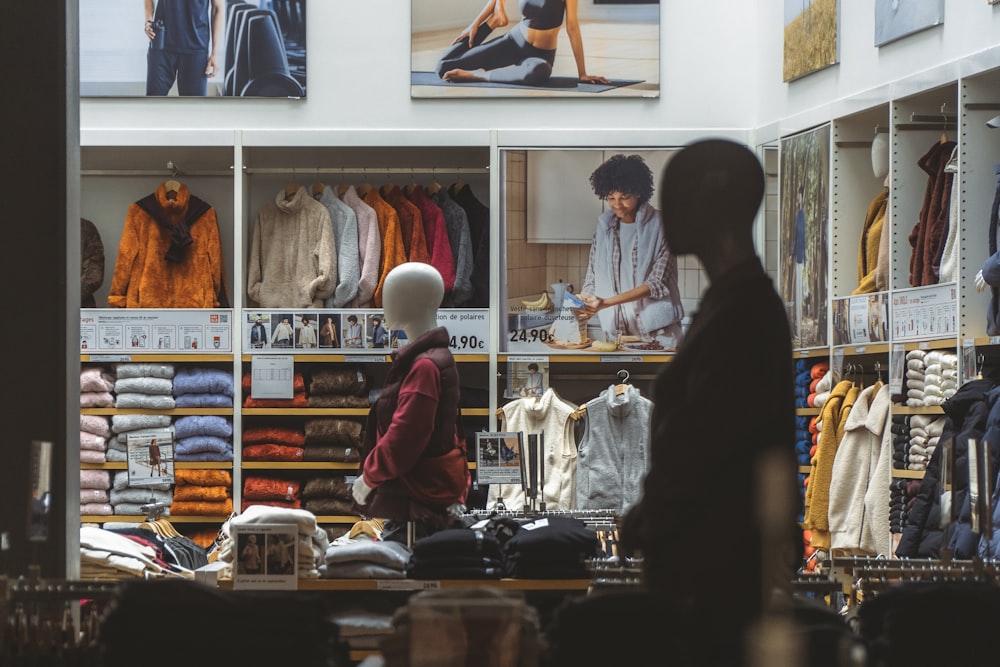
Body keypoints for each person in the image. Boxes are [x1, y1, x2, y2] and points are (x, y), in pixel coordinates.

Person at [618, 139, 802, 665]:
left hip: (717, 577)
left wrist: (649, 518)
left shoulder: (743, 313)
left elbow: (705, 443)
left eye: (674, 196)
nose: (664, 212)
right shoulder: (736, 304)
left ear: (710, 202)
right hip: (712, 567)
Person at [351, 263, 470, 543]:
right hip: (422, 498)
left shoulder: (425, 365)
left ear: (422, 302)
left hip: (417, 503)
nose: (385, 302)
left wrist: (369, 477)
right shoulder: (431, 359)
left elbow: (405, 436)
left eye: (395, 294)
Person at [577, 154, 684, 345]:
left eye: (624, 197)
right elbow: (591, 279)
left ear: (639, 193)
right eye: (611, 198)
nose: (617, 204)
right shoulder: (603, 229)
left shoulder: (663, 226)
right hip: (617, 337)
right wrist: (578, 305)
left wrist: (605, 303)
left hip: (660, 337)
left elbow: (656, 284)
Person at [435, 0, 608, 86]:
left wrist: (582, 73)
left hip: (540, 54)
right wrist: (476, 24)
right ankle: (494, 22)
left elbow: (573, 28)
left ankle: (477, 75)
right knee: (443, 68)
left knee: (538, 72)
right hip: (513, 42)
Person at [144, 0, 225, 96]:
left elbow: (217, 9)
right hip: (162, 44)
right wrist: (148, 21)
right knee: (153, 105)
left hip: (196, 49)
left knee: (193, 108)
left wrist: (214, 53)